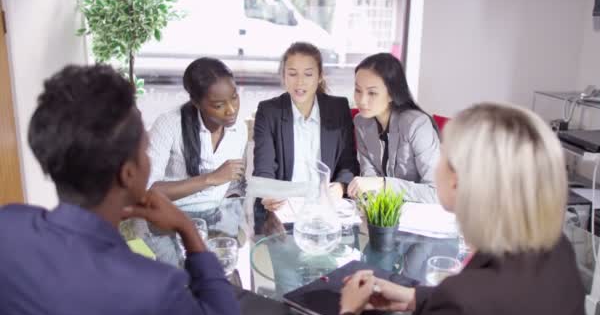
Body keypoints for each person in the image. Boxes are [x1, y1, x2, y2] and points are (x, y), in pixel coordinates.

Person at [0, 65, 245, 315]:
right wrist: (190, 235)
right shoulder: (153, 289)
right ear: (129, 173)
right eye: (144, 149)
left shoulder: (7, 224)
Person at [325, 103, 586, 315]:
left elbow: (470, 309)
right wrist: (415, 297)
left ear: (458, 180)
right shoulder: (559, 249)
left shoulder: (462, 302)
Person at [253, 42, 358, 217]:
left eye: (308, 74)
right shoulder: (269, 111)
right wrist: (268, 193)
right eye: (292, 74)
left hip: (326, 206)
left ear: (319, 77)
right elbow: (264, 167)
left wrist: (340, 187)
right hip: (285, 209)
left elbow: (348, 164)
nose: (300, 82)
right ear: (284, 76)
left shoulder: (338, 108)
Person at [147, 57, 247, 212]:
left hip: (218, 218)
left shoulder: (239, 129)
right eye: (218, 105)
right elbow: (149, 191)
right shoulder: (169, 124)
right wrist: (210, 178)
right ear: (196, 102)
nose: (231, 110)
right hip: (170, 218)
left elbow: (233, 185)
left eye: (234, 97)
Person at [347, 53, 439, 203]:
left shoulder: (417, 125)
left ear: (392, 94)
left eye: (372, 93)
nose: (362, 100)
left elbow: (437, 193)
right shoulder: (361, 122)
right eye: (358, 90)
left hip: (419, 215)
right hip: (381, 213)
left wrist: (382, 184)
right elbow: (368, 175)